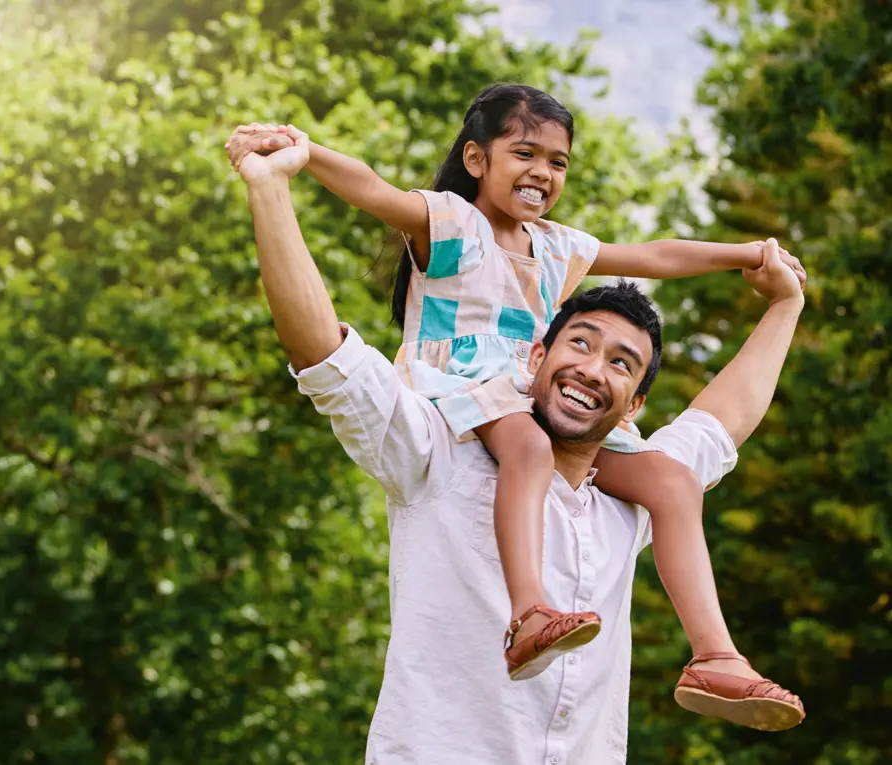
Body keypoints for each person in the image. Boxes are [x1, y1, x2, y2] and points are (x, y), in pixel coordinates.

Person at [225, 83, 805, 721]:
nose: (542, 173)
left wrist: (754, 254)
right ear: (477, 160)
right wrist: (306, 153)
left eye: (557, 162)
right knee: (529, 444)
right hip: (467, 390)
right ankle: (529, 610)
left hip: (527, 398)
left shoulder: (556, 247)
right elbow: (376, 191)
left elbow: (654, 256)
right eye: (525, 153)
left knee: (669, 481)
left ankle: (714, 657)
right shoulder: (454, 223)